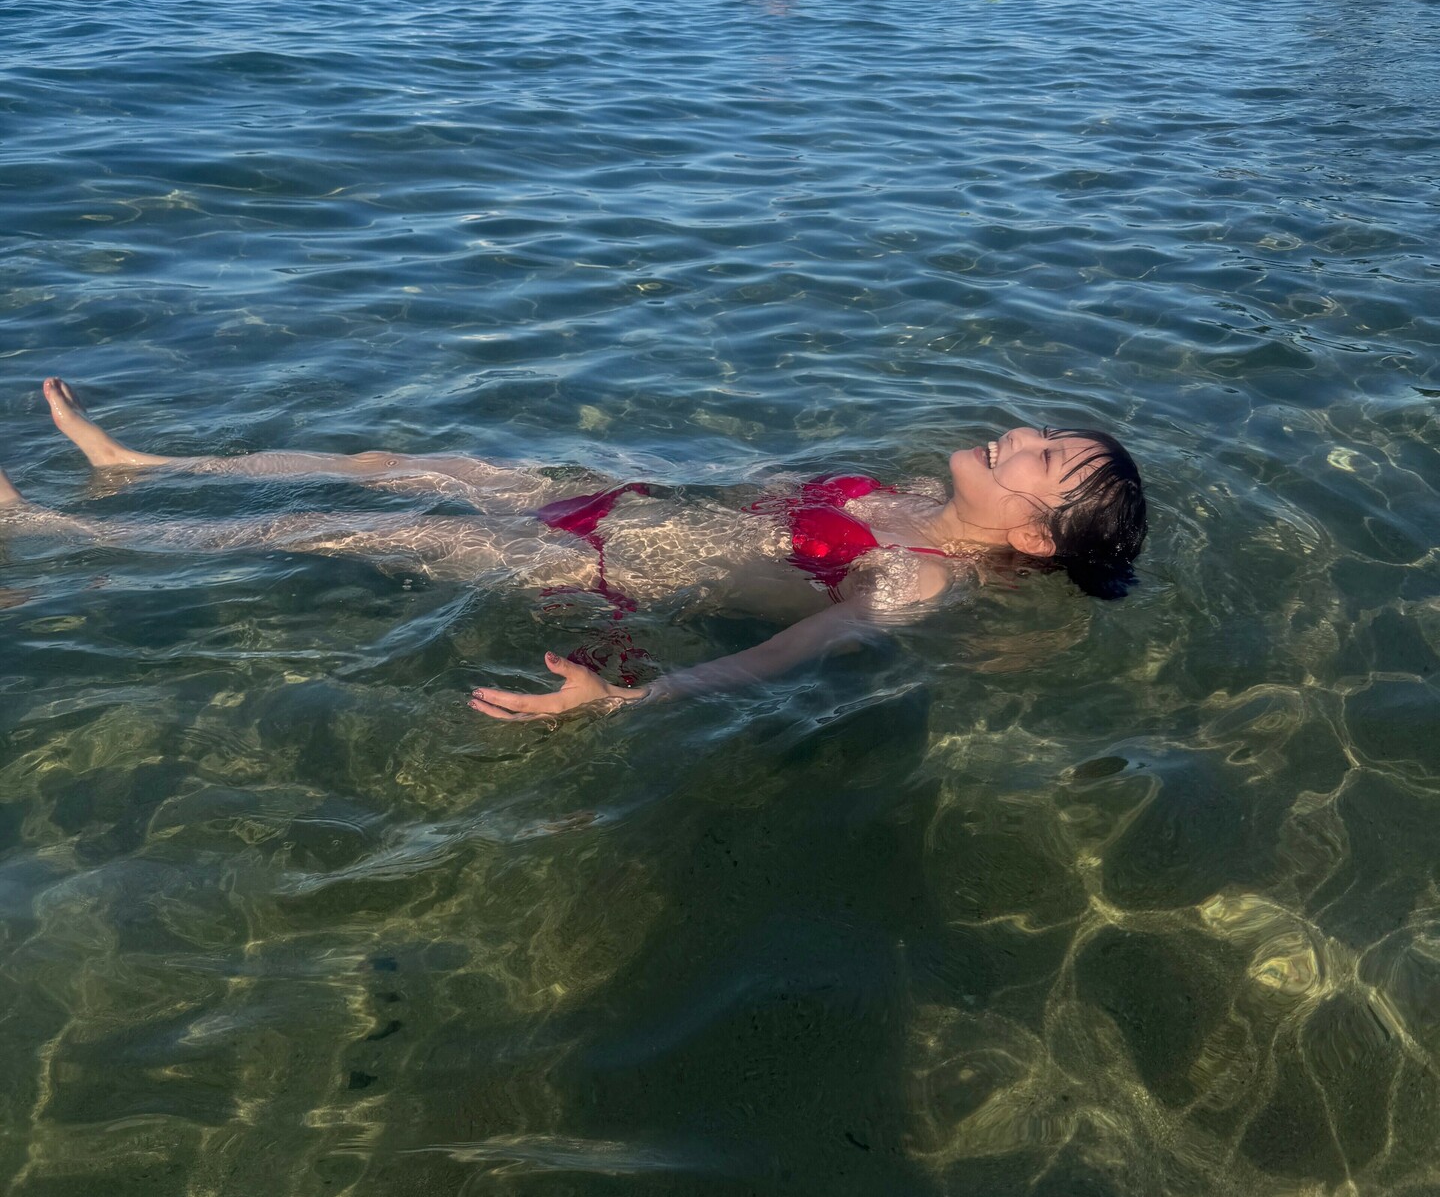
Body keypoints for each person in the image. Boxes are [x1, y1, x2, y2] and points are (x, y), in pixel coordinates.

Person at [8, 380, 1149, 723]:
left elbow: (787, 653)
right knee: (399, 463)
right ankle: (138, 465)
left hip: (598, 567)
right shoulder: (905, 496)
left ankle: (54, 533)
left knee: (346, 530)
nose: (1020, 434)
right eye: (1042, 432)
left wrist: (629, 701)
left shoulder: (917, 579)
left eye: (1044, 455)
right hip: (608, 504)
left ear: (1033, 535)